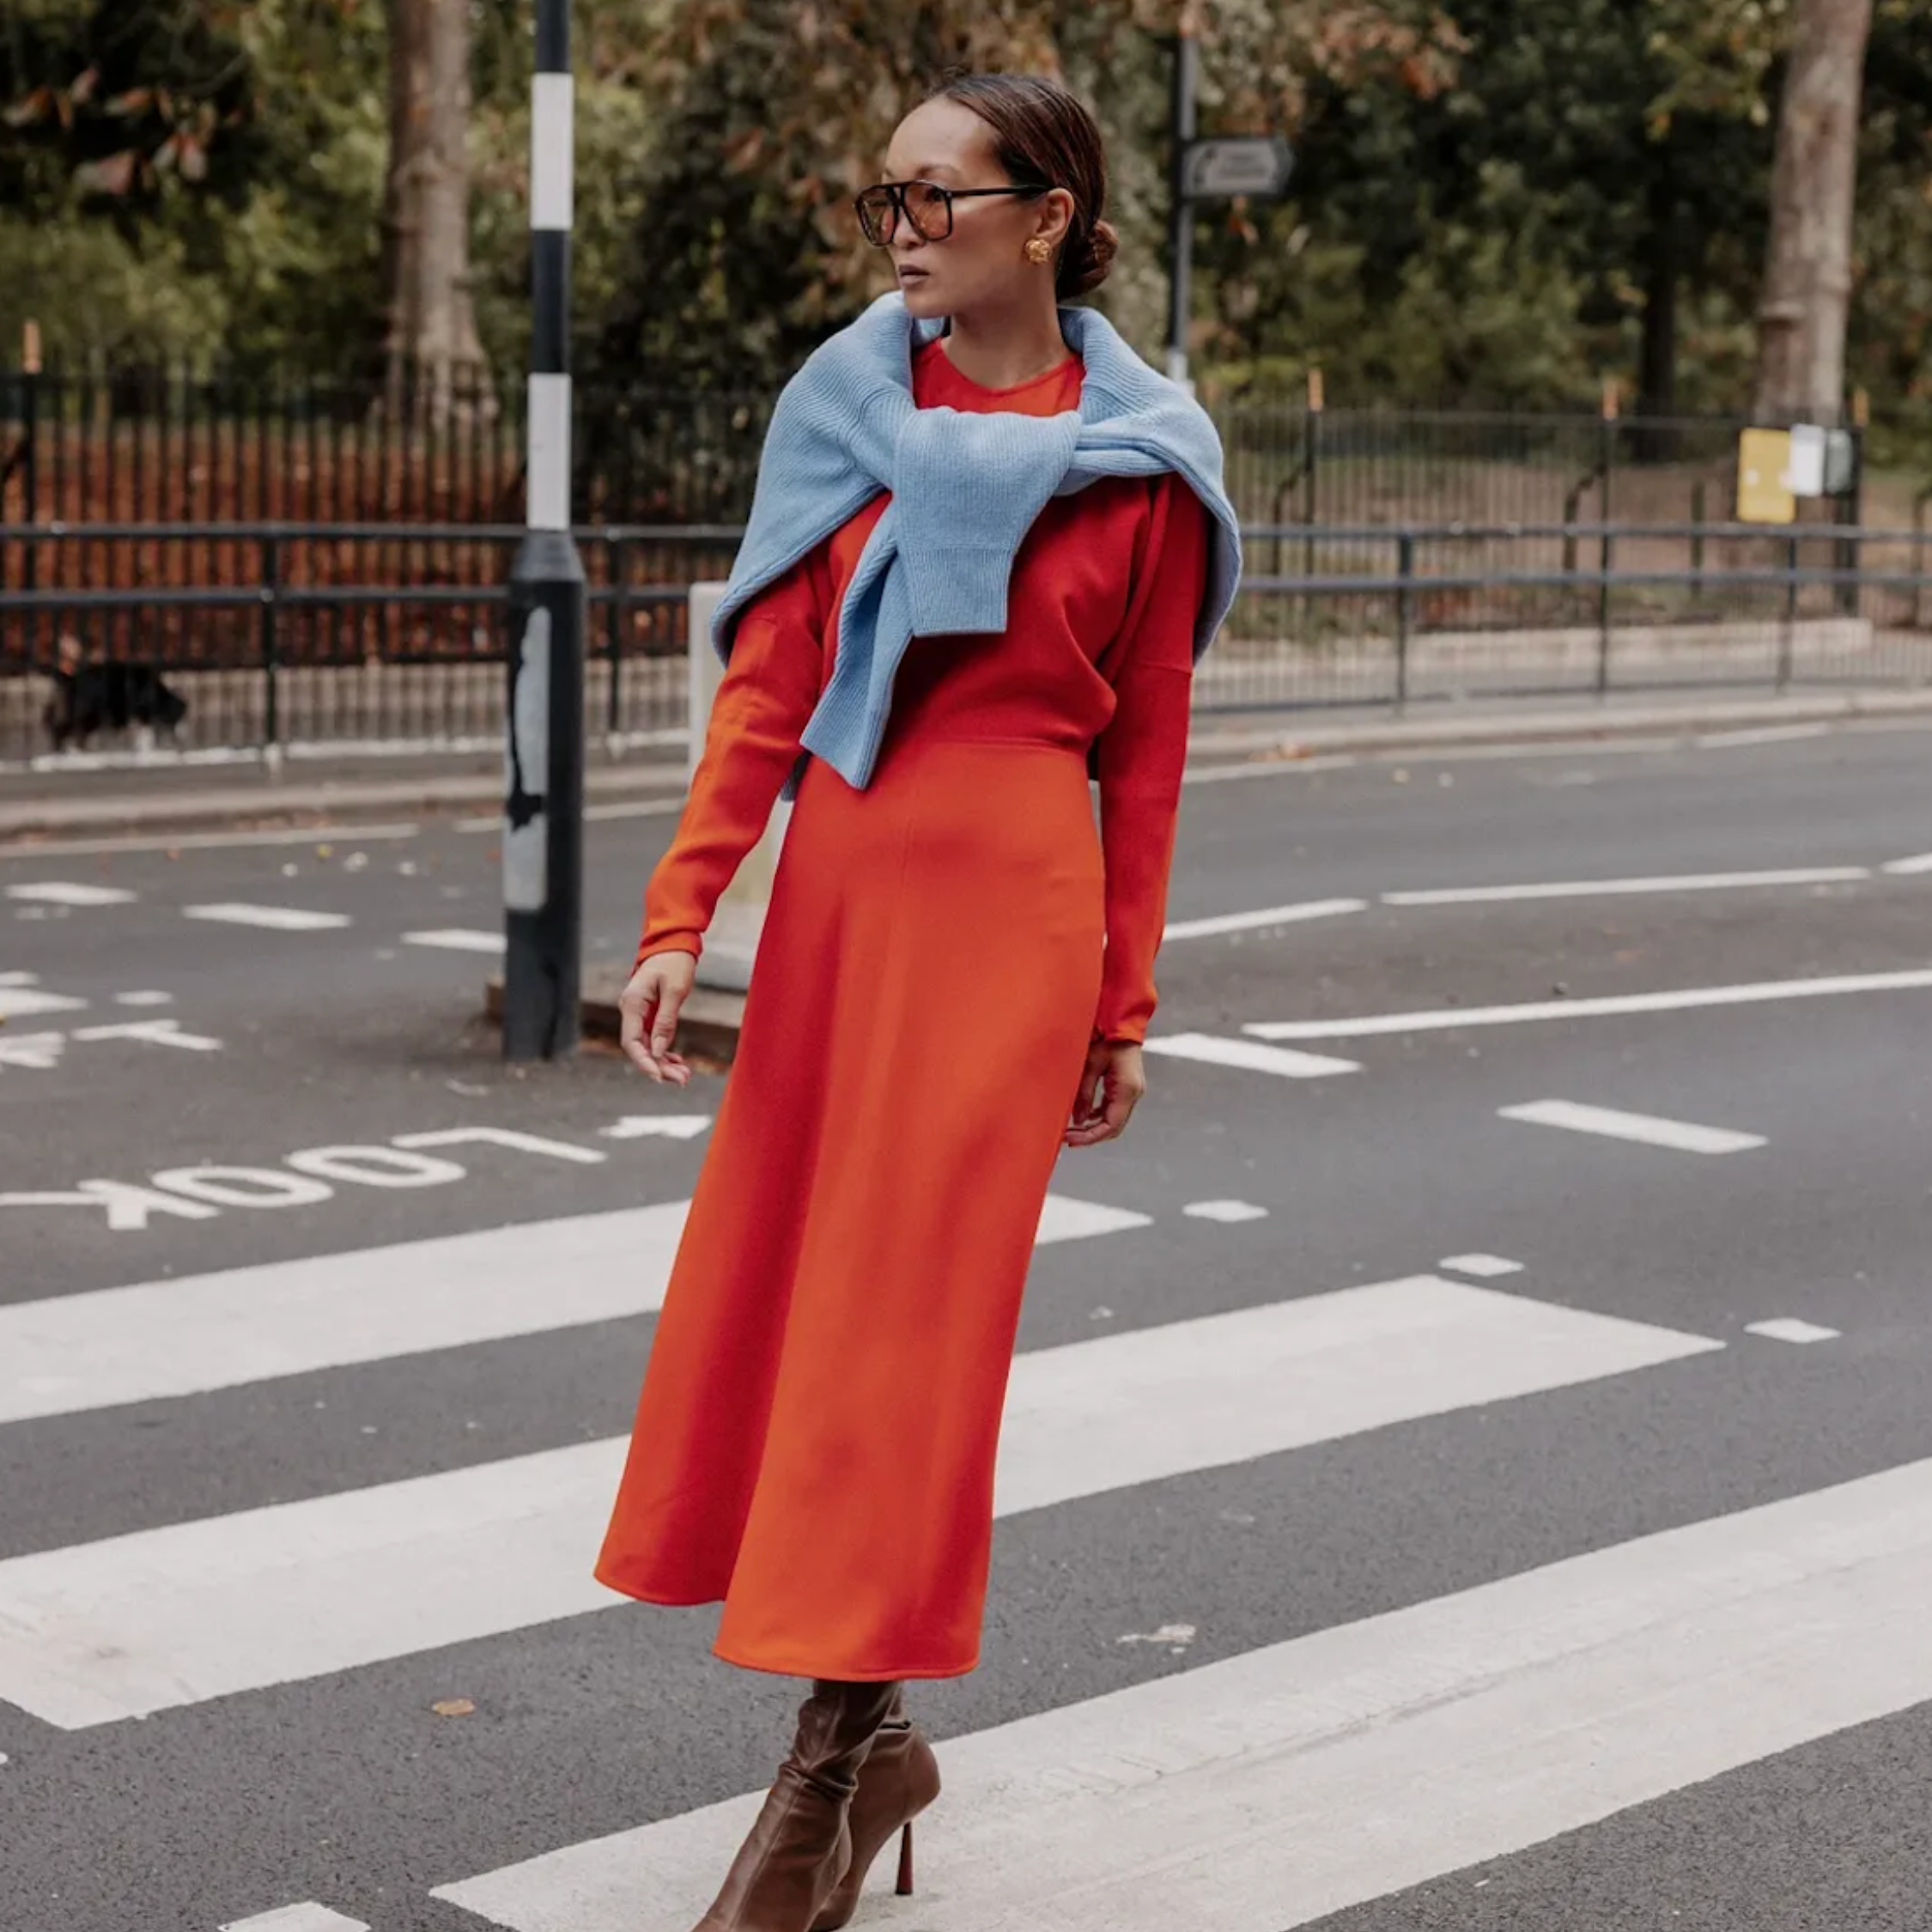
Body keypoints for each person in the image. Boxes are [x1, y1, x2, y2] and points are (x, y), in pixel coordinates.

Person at [592, 70, 1242, 1932]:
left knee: (906, 1342)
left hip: (1010, 919)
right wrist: (680, 906)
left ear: (1046, 215)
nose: (900, 228)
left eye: (935, 196)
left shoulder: (1154, 458)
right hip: (842, 910)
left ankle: (831, 1760)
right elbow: (770, 680)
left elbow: (1152, 758)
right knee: (794, 1316)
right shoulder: (845, 408)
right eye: (882, 195)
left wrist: (1121, 1001)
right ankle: (864, 1736)